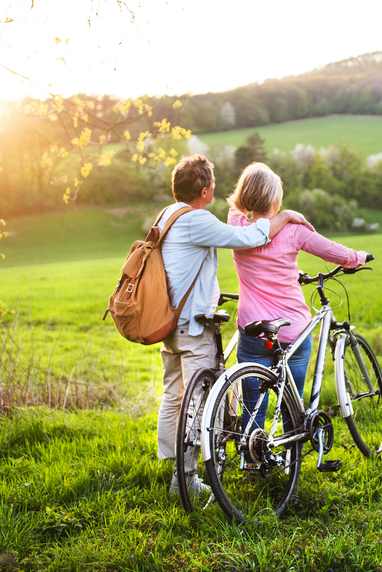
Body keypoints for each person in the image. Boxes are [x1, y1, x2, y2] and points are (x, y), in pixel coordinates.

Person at [158, 154, 311, 496]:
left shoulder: (168, 215)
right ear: (204, 190)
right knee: (198, 400)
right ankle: (184, 479)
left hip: (168, 322)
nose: (214, 188)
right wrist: (285, 215)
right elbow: (250, 238)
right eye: (211, 183)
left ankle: (171, 465)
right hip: (193, 326)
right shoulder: (196, 219)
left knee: (174, 396)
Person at [227, 162, 369, 430]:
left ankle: (252, 458)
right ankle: (292, 453)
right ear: (275, 196)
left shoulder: (237, 226)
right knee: (292, 403)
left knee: (252, 405)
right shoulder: (295, 230)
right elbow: (337, 253)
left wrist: (264, 201)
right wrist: (358, 258)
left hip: (253, 331)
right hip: (294, 331)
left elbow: (236, 207)